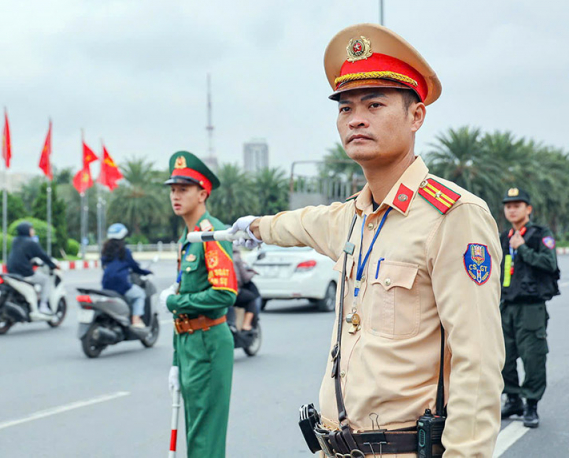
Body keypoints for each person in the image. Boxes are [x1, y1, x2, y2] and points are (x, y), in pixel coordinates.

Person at [229, 24, 504, 457]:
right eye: (345, 108)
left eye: (375, 104)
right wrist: (254, 227)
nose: (356, 118)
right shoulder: (352, 217)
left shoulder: (454, 217)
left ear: (416, 116)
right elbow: (300, 223)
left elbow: (478, 362)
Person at [158, 150, 237, 458]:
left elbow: (225, 294)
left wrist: (176, 301)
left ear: (203, 193)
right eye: (172, 190)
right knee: (195, 433)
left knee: (204, 439)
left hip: (208, 342)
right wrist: (177, 362)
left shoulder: (211, 234)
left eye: (183, 189)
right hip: (190, 344)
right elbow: (182, 315)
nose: (175, 196)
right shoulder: (188, 238)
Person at [499, 188, 559, 428]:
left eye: (517, 205)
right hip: (506, 306)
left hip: (531, 307)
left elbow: (549, 263)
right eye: (508, 205)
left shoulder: (540, 234)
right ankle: (513, 399)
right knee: (504, 356)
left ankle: (531, 404)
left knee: (533, 357)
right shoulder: (504, 237)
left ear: (528, 209)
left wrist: (523, 248)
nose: (512, 209)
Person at [100, 223, 152, 328]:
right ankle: (136, 319)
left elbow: (103, 265)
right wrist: (147, 272)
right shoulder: (124, 251)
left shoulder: (105, 251)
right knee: (140, 294)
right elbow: (134, 267)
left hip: (106, 284)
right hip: (121, 284)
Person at [7, 222, 59, 317]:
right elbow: (42, 255)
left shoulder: (15, 240)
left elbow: (22, 255)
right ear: (27, 230)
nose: (33, 231)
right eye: (31, 229)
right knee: (45, 280)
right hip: (25, 273)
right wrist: (53, 265)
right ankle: (43, 306)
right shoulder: (31, 242)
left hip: (11, 272)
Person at [231, 249, 260, 331]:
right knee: (251, 298)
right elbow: (245, 277)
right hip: (233, 290)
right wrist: (253, 273)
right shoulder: (236, 257)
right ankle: (246, 324)